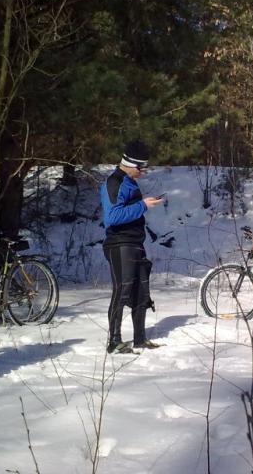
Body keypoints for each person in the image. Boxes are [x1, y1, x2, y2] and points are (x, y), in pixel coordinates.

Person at [100, 141, 164, 354]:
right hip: (119, 244)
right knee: (123, 289)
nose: (143, 172)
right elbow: (113, 217)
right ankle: (114, 342)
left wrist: (143, 205)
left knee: (141, 291)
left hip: (135, 243)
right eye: (141, 168)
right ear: (130, 165)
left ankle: (139, 339)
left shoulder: (129, 182)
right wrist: (143, 205)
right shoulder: (115, 182)